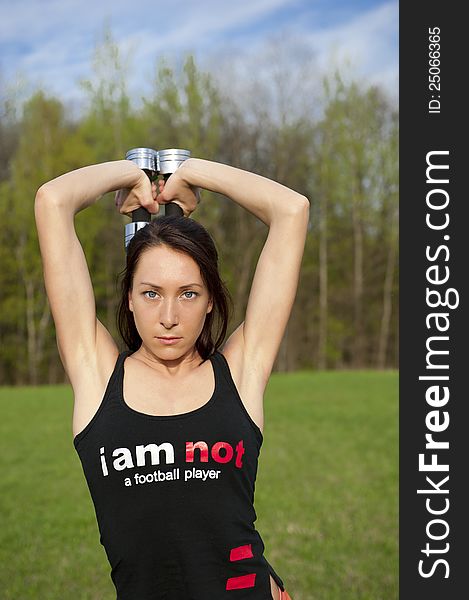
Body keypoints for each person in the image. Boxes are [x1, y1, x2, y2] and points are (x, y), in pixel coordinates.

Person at [34, 157, 309, 599]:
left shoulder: (241, 372)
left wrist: (194, 172)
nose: (168, 317)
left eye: (188, 294)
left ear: (210, 302)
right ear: (128, 299)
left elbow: (291, 210)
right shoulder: (98, 376)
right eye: (151, 293)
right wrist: (130, 177)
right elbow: (52, 201)